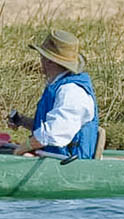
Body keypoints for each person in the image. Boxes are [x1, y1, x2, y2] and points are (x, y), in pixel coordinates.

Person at [8, 29, 100, 159]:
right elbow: (52, 125)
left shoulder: (72, 92)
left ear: (49, 61)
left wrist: (22, 148)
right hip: (54, 158)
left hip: (69, 164)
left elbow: (54, 132)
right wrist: (22, 120)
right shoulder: (59, 85)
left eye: (42, 56)